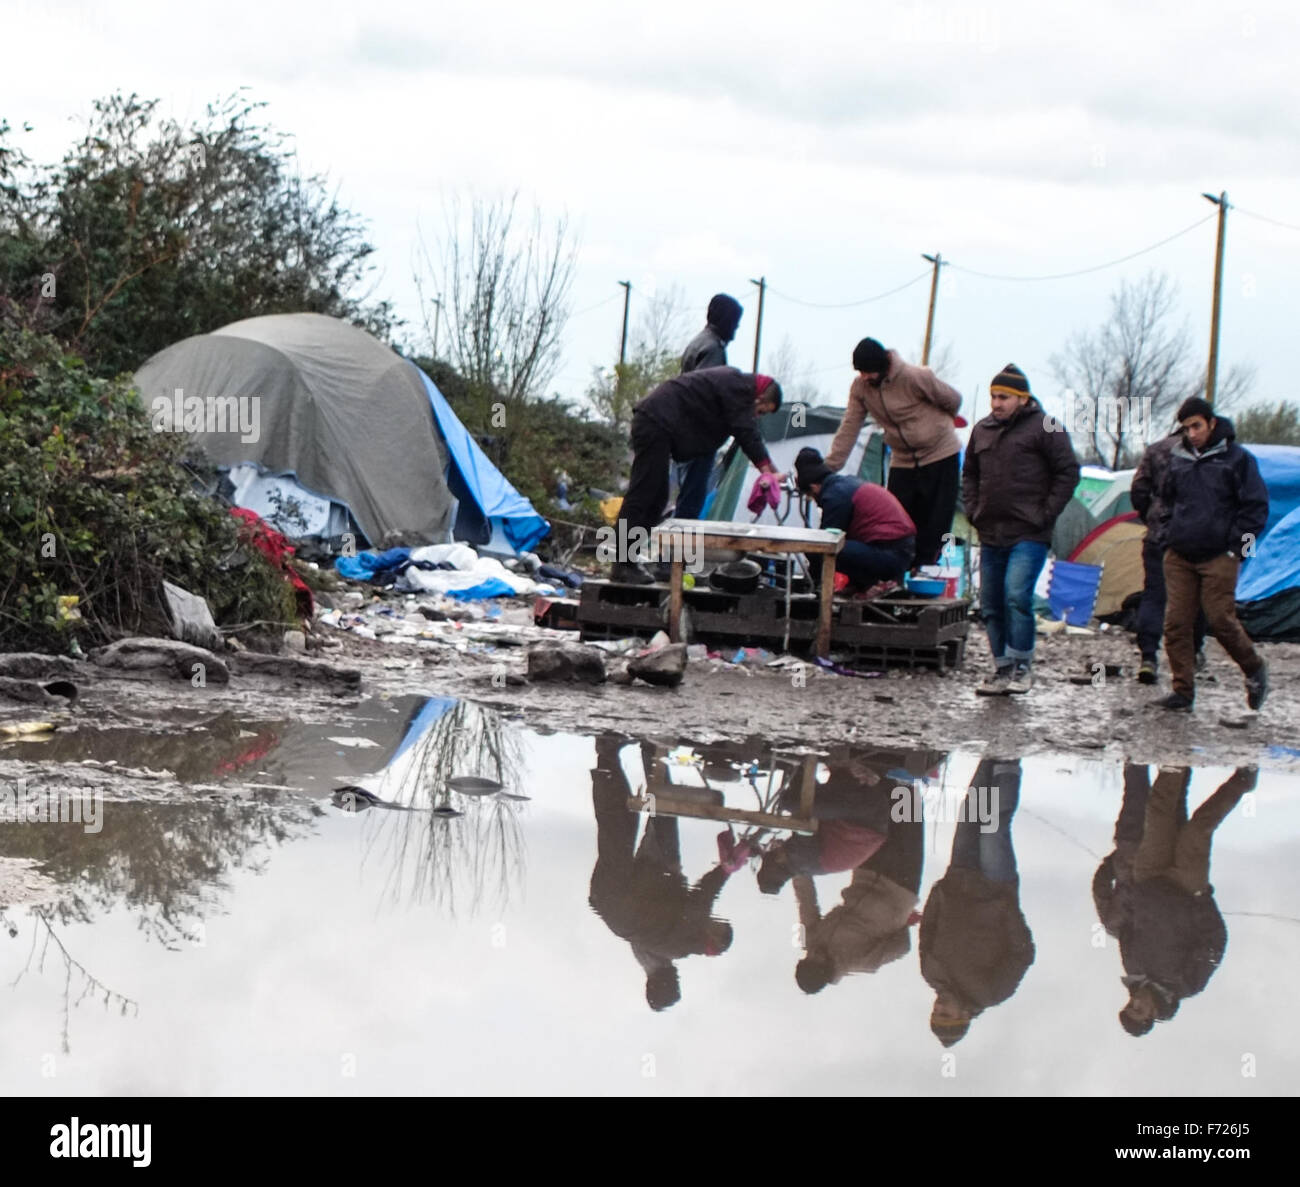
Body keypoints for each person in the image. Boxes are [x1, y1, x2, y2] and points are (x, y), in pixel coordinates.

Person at [1093, 765, 1254, 1037]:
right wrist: (1201, 901)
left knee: (1157, 812)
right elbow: (1215, 942)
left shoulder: (1131, 968)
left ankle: (1175, 761)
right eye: (1139, 1010)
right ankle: (1244, 779)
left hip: (1147, 876)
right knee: (1198, 829)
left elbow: (1127, 925)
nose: (1136, 1002)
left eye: (1130, 1005)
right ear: (1154, 1015)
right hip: (1187, 886)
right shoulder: (1188, 984)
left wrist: (1132, 887)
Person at [588, 735, 736, 1011]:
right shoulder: (651, 953)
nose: (715, 923)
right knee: (618, 826)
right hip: (612, 899)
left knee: (660, 813)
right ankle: (613, 755)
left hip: (636, 886)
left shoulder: (682, 944)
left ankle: (649, 750)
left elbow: (701, 899)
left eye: (718, 928)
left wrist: (725, 870)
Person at [962, 363, 1080, 695]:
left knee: (1016, 596)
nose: (996, 403)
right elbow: (969, 473)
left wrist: (1046, 513)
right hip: (990, 530)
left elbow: (1068, 472)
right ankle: (1001, 667)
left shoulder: (1046, 427)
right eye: (993, 396)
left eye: (1003, 397)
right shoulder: (982, 430)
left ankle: (1022, 666)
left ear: (1022, 398)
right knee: (990, 603)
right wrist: (973, 510)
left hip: (1029, 531)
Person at [1152, 397, 1269, 713]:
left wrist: (1238, 551)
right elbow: (1164, 502)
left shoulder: (1237, 460)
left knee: (1220, 619)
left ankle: (1254, 668)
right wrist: (1166, 536)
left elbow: (1256, 508)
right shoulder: (1179, 460)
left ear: (1212, 423)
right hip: (1179, 554)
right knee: (1176, 624)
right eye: (1187, 428)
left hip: (1220, 554)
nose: (1191, 433)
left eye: (1197, 426)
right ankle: (1182, 691)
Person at [612, 368, 783, 584]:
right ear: (759, 399)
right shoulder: (738, 388)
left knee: (656, 501)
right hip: (655, 421)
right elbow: (745, 431)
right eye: (762, 411)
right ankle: (621, 564)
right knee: (644, 495)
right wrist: (768, 470)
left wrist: (769, 469)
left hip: (659, 423)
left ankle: (628, 561)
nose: (757, 416)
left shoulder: (737, 388)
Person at [920, 757, 1034, 1047]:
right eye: (946, 1014)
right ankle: (1008, 757)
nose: (939, 1007)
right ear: (964, 1016)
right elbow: (1023, 954)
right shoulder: (992, 993)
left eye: (935, 1012)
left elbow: (927, 931)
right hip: (995, 885)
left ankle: (989, 757)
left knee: (971, 810)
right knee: (993, 825)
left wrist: (939, 892)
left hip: (958, 875)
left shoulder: (931, 974)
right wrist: (1005, 907)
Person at [824, 337, 963, 567]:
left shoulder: (915, 377)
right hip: (903, 459)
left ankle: (926, 571)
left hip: (940, 454)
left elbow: (953, 400)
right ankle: (895, 575)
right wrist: (830, 466)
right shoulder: (861, 388)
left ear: (882, 365)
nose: (865, 377)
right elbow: (851, 425)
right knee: (896, 522)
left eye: (868, 371)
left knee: (935, 523)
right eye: (861, 372)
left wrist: (937, 426)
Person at [1130, 428, 1207, 683]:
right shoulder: (1207, 451)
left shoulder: (1156, 450)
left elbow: (1139, 491)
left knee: (1153, 595)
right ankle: (1193, 655)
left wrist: (1151, 517)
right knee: (1195, 598)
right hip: (1195, 538)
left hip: (1158, 536)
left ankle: (1149, 657)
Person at [792, 446, 916, 590]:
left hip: (891, 554)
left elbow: (825, 543)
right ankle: (862, 585)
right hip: (901, 550)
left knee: (817, 550)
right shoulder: (846, 484)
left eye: (811, 496)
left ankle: (824, 589)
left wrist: (810, 581)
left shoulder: (835, 495)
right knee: (841, 547)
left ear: (813, 487)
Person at [675, 294, 745, 519]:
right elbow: (707, 393)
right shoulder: (713, 349)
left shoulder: (697, 342)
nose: (735, 331)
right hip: (698, 436)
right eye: (734, 324)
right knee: (690, 502)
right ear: (726, 321)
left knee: (687, 496)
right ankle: (678, 553)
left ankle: (674, 551)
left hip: (685, 432)